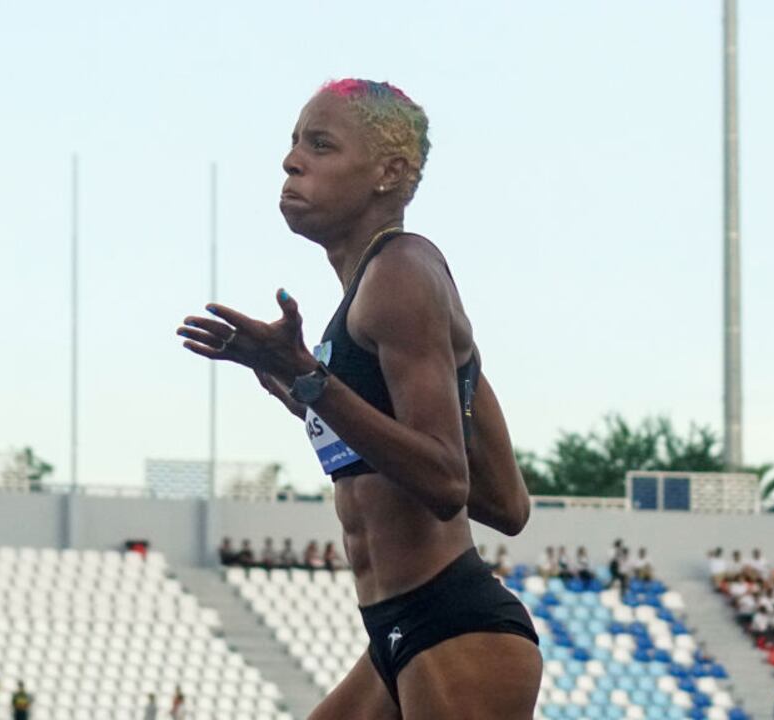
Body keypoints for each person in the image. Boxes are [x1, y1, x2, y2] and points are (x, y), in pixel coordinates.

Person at [178, 78, 540, 719]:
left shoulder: (401, 274)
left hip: (453, 626)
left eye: (320, 145)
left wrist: (314, 382)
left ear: (388, 172)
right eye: (293, 142)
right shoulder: (384, 292)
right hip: (401, 632)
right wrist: (304, 391)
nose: (292, 160)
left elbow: (446, 481)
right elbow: (505, 503)